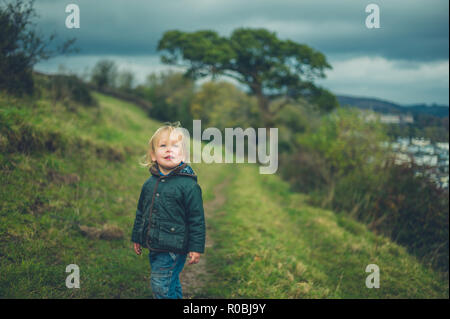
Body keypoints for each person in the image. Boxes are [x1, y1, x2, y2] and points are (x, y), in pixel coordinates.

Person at [131, 122, 205, 299]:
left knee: (160, 284)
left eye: (175, 146)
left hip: (174, 246)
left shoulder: (189, 186)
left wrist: (196, 248)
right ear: (153, 155)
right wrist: (137, 236)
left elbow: (197, 220)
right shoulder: (149, 184)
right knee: (170, 282)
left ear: (183, 155)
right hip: (154, 243)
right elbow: (141, 212)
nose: (168, 150)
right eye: (163, 146)